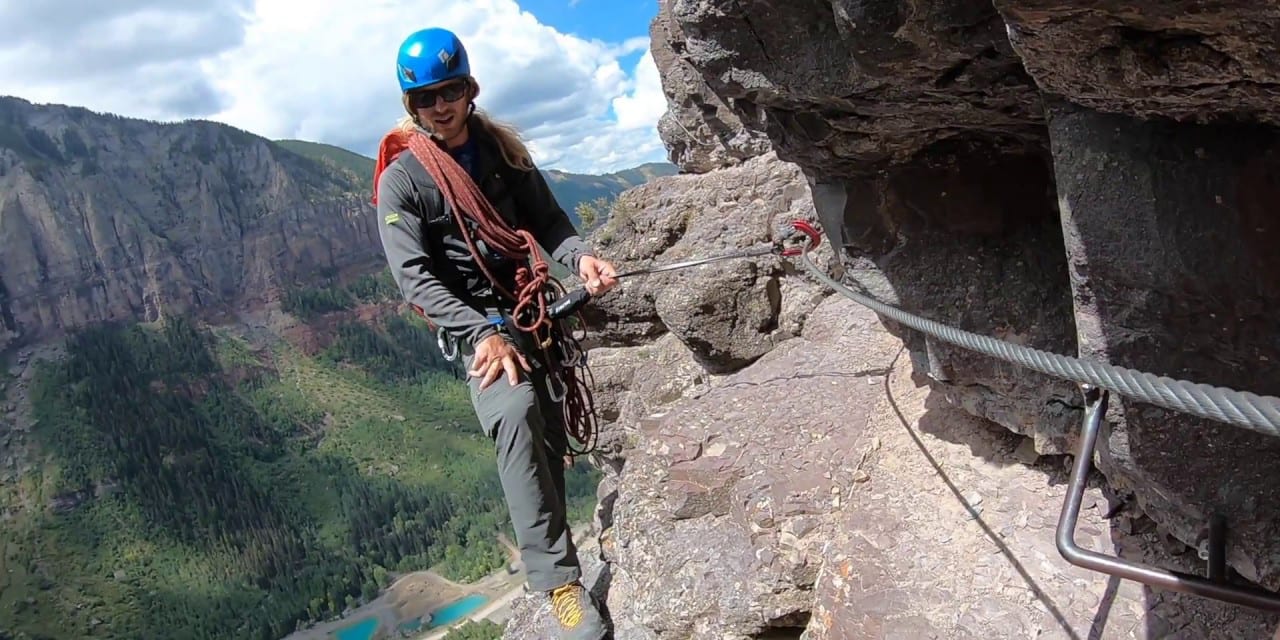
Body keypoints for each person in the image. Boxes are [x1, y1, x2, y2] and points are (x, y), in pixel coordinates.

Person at [372, 26, 617, 640]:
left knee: (551, 435)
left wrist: (579, 256)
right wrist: (482, 331)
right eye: (427, 97)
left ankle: (564, 560)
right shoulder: (403, 182)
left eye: (449, 90)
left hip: (535, 310)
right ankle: (558, 584)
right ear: (412, 106)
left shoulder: (504, 153)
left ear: (469, 88)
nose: (441, 105)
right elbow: (415, 278)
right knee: (513, 414)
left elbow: (550, 220)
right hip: (480, 327)